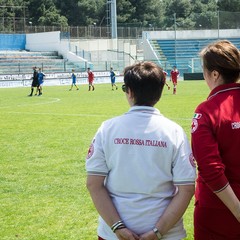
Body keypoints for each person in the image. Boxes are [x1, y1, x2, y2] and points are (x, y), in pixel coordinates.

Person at [86, 61, 196, 240]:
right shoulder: (175, 132)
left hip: (113, 235)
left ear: (129, 91)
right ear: (160, 93)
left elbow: (93, 184)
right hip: (167, 235)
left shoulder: (107, 129)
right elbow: (187, 189)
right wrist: (157, 232)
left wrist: (118, 227)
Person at [191, 40, 240, 240]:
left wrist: (237, 210)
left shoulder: (206, 111)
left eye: (204, 70)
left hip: (219, 211)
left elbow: (210, 168)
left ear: (214, 74)